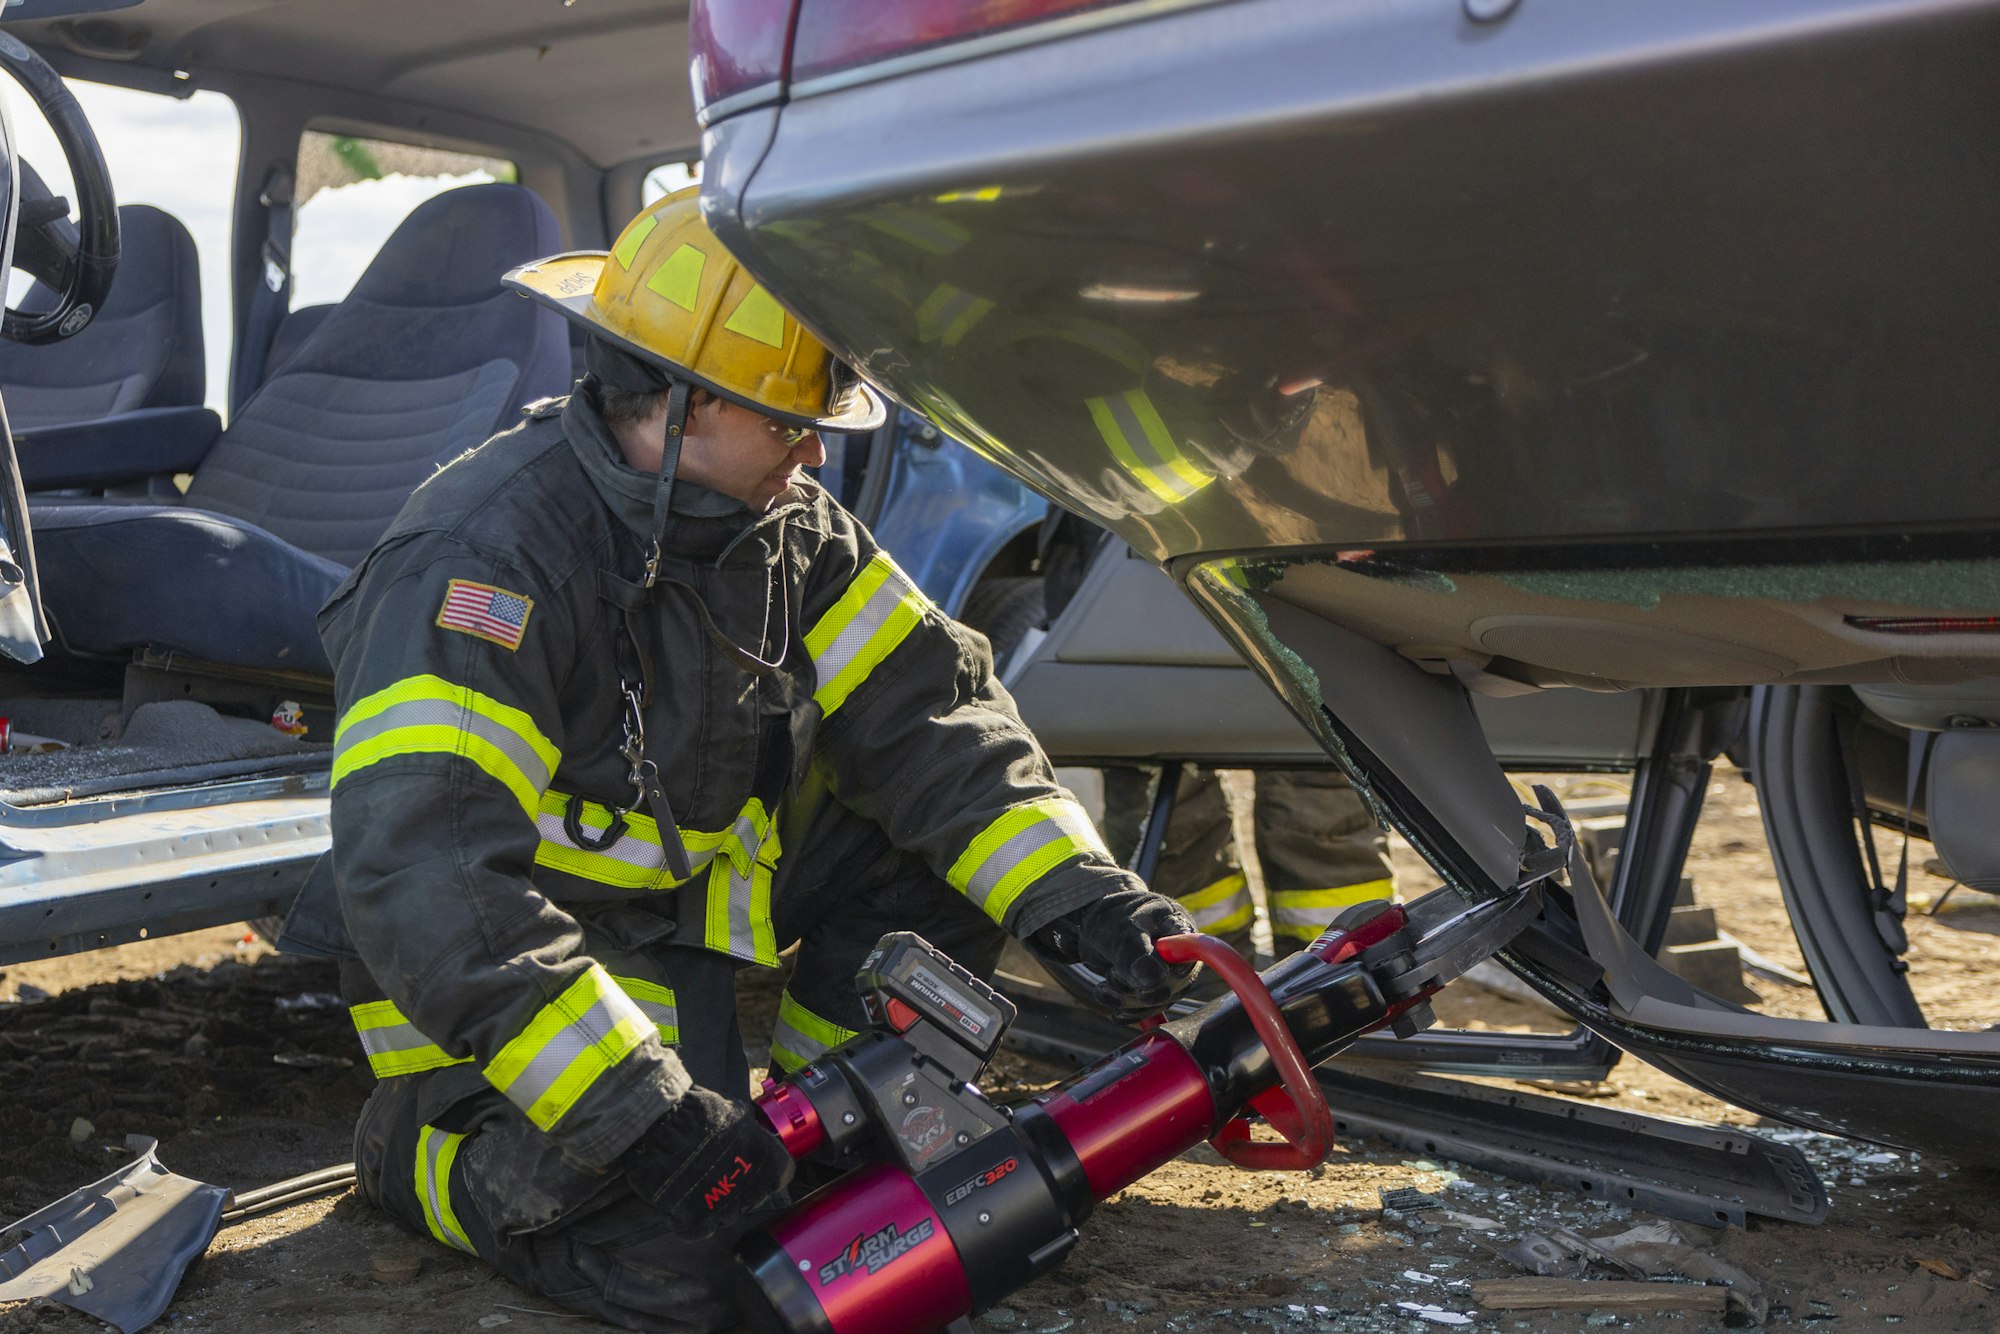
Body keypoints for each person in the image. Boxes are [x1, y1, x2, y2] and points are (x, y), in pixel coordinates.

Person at [278, 189, 1196, 1331]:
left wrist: (1079, 899)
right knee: (709, 1277)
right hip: (499, 1013)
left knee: (930, 868)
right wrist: (643, 1117)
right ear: (682, 402)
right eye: (787, 420)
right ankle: (418, 1151)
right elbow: (430, 882)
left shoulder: (783, 526)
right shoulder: (484, 561)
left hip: (671, 944)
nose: (814, 452)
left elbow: (937, 722)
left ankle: (828, 1130)